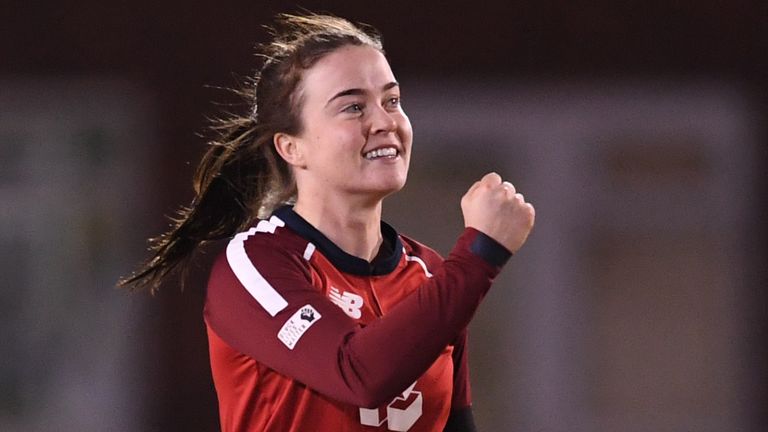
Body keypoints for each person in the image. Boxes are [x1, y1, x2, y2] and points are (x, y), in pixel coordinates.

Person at [121, 13, 535, 432]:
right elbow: (356, 374)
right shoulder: (256, 263)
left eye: (391, 100)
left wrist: (465, 269)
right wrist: (480, 254)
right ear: (290, 147)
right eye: (353, 107)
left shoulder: (430, 275)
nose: (385, 122)